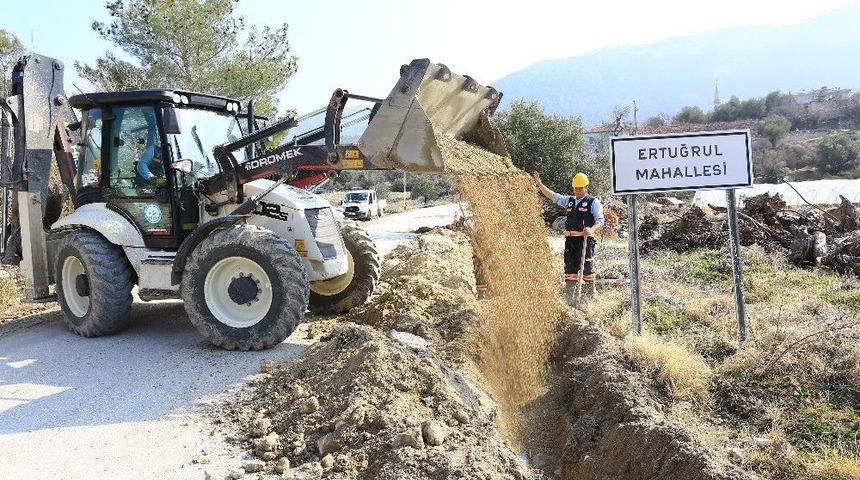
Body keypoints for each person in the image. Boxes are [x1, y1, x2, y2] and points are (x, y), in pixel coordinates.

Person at [533, 171, 604, 303]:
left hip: (585, 241)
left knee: (587, 270)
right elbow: (554, 196)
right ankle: (569, 300)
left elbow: (600, 221)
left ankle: (589, 299)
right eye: (575, 188)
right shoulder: (569, 201)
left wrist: (591, 229)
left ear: (585, 188)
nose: (577, 191)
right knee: (570, 270)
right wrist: (540, 184)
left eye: (580, 188)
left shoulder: (593, 202)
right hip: (570, 241)